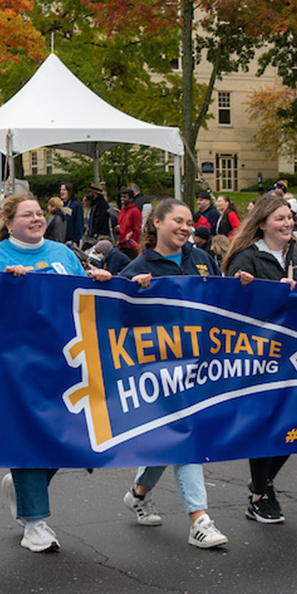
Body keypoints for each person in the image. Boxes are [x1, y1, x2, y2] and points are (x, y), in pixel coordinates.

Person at [0, 193, 112, 553]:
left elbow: (82, 297)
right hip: (16, 366)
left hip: (64, 362)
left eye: (39, 214)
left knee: (67, 434)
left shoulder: (63, 254)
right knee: (27, 435)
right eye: (27, 215)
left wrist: (101, 280)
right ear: (8, 222)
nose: (36, 219)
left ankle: (21, 489)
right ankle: (35, 523)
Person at [117, 198, 228, 548]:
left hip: (200, 366)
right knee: (186, 433)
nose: (185, 227)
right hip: (158, 372)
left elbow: (221, 302)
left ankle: (137, 494)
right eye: (177, 221)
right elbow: (114, 317)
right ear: (157, 223)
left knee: (172, 437)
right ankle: (200, 520)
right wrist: (133, 293)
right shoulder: (137, 266)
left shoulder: (203, 260)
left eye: (189, 222)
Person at [221, 195, 297, 525]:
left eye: (290, 217)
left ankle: (262, 482)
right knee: (266, 423)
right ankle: (260, 496)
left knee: (296, 423)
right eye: (279, 218)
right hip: (259, 356)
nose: (288, 223)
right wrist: (262, 289)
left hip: (296, 352)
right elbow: (233, 308)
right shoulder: (246, 258)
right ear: (262, 223)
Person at [117, 190, 143, 256]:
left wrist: (132, 243)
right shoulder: (122, 212)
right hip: (121, 244)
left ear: (131, 199)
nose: (122, 199)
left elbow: (137, 229)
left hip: (129, 246)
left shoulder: (135, 211)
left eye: (125, 197)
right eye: (121, 197)